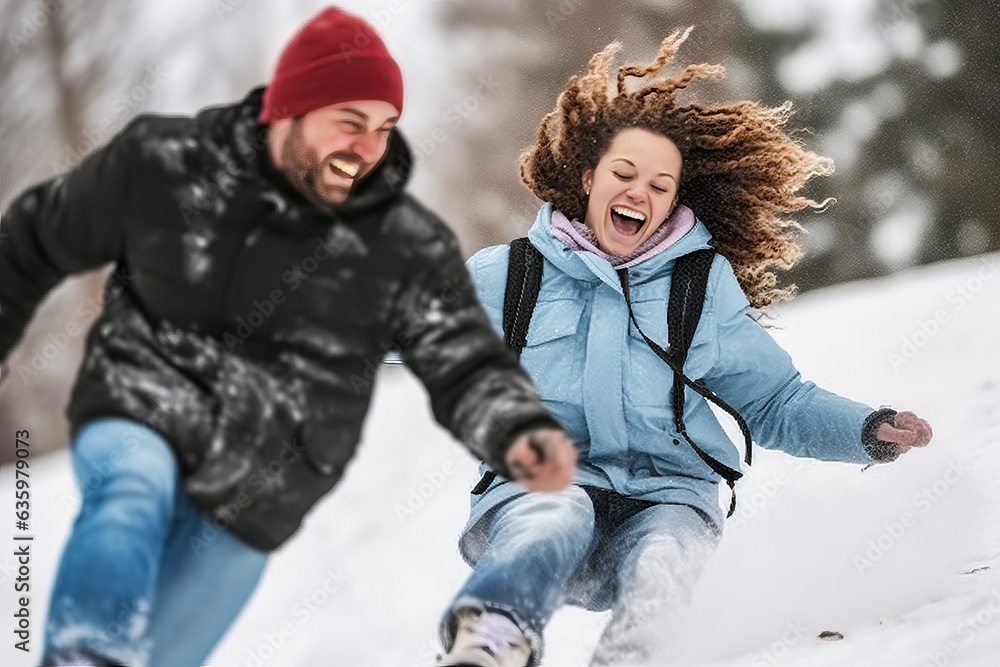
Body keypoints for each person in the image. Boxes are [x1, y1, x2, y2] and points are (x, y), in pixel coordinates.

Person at [0, 7, 578, 667]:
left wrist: (513, 426)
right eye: (348, 123)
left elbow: (464, 359)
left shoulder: (402, 244)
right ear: (287, 111)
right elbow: (30, 241)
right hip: (142, 403)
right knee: (131, 490)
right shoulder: (161, 165)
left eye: (383, 128)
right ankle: (82, 652)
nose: (367, 148)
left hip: (255, 496)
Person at [435, 28, 933, 667]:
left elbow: (775, 401)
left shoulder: (701, 286)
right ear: (588, 179)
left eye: (660, 184)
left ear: (673, 201)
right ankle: (492, 639)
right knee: (548, 521)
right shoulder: (513, 274)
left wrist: (865, 429)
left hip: (671, 492)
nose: (639, 192)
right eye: (623, 173)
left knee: (664, 560)